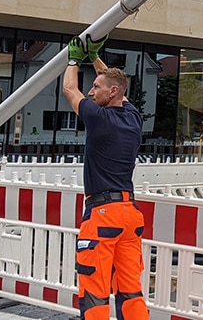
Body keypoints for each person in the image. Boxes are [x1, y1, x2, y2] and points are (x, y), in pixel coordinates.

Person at [62, 34, 148, 320]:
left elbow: (68, 88)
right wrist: (95, 57)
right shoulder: (133, 118)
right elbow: (115, 86)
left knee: (94, 291)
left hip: (102, 215)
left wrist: (74, 59)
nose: (89, 92)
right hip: (129, 215)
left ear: (111, 92)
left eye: (95, 87)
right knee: (130, 291)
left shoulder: (99, 119)